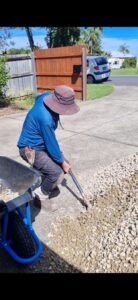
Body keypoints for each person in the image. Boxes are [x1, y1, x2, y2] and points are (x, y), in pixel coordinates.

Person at [17, 85, 80, 211]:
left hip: (41, 143)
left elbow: (37, 98)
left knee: (60, 164)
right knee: (57, 172)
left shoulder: (46, 97)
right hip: (29, 149)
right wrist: (61, 162)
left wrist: (61, 160)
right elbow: (51, 144)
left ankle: (48, 181)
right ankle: (40, 196)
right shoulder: (45, 119)